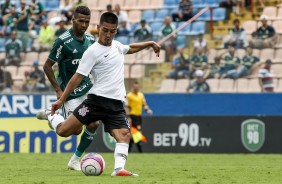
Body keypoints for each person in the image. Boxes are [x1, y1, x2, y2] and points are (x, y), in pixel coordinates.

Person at [45, 12, 160, 176]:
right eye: (105, 30)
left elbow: (131, 48)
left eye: (112, 31)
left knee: (124, 135)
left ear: (116, 30)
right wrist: (61, 99)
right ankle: (50, 116)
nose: (108, 35)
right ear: (98, 28)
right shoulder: (92, 51)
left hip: (115, 104)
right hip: (95, 103)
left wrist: (150, 43)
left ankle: (119, 169)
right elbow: (77, 77)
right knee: (65, 131)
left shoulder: (118, 46)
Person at [36, 6, 99, 171]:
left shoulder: (91, 40)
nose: (84, 24)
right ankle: (51, 116)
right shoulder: (63, 41)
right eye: (81, 21)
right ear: (73, 20)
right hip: (69, 93)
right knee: (73, 130)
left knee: (93, 124)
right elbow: (47, 66)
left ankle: (75, 160)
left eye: (87, 21)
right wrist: (58, 91)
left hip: (87, 88)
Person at [127, 81, 152, 153]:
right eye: (135, 87)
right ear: (133, 87)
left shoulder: (141, 95)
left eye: (137, 87)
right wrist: (128, 117)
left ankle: (130, 150)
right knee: (134, 133)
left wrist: (148, 110)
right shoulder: (129, 96)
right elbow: (127, 107)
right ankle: (139, 151)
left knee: (137, 133)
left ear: (139, 87)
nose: (136, 88)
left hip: (138, 117)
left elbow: (144, 104)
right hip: (132, 117)